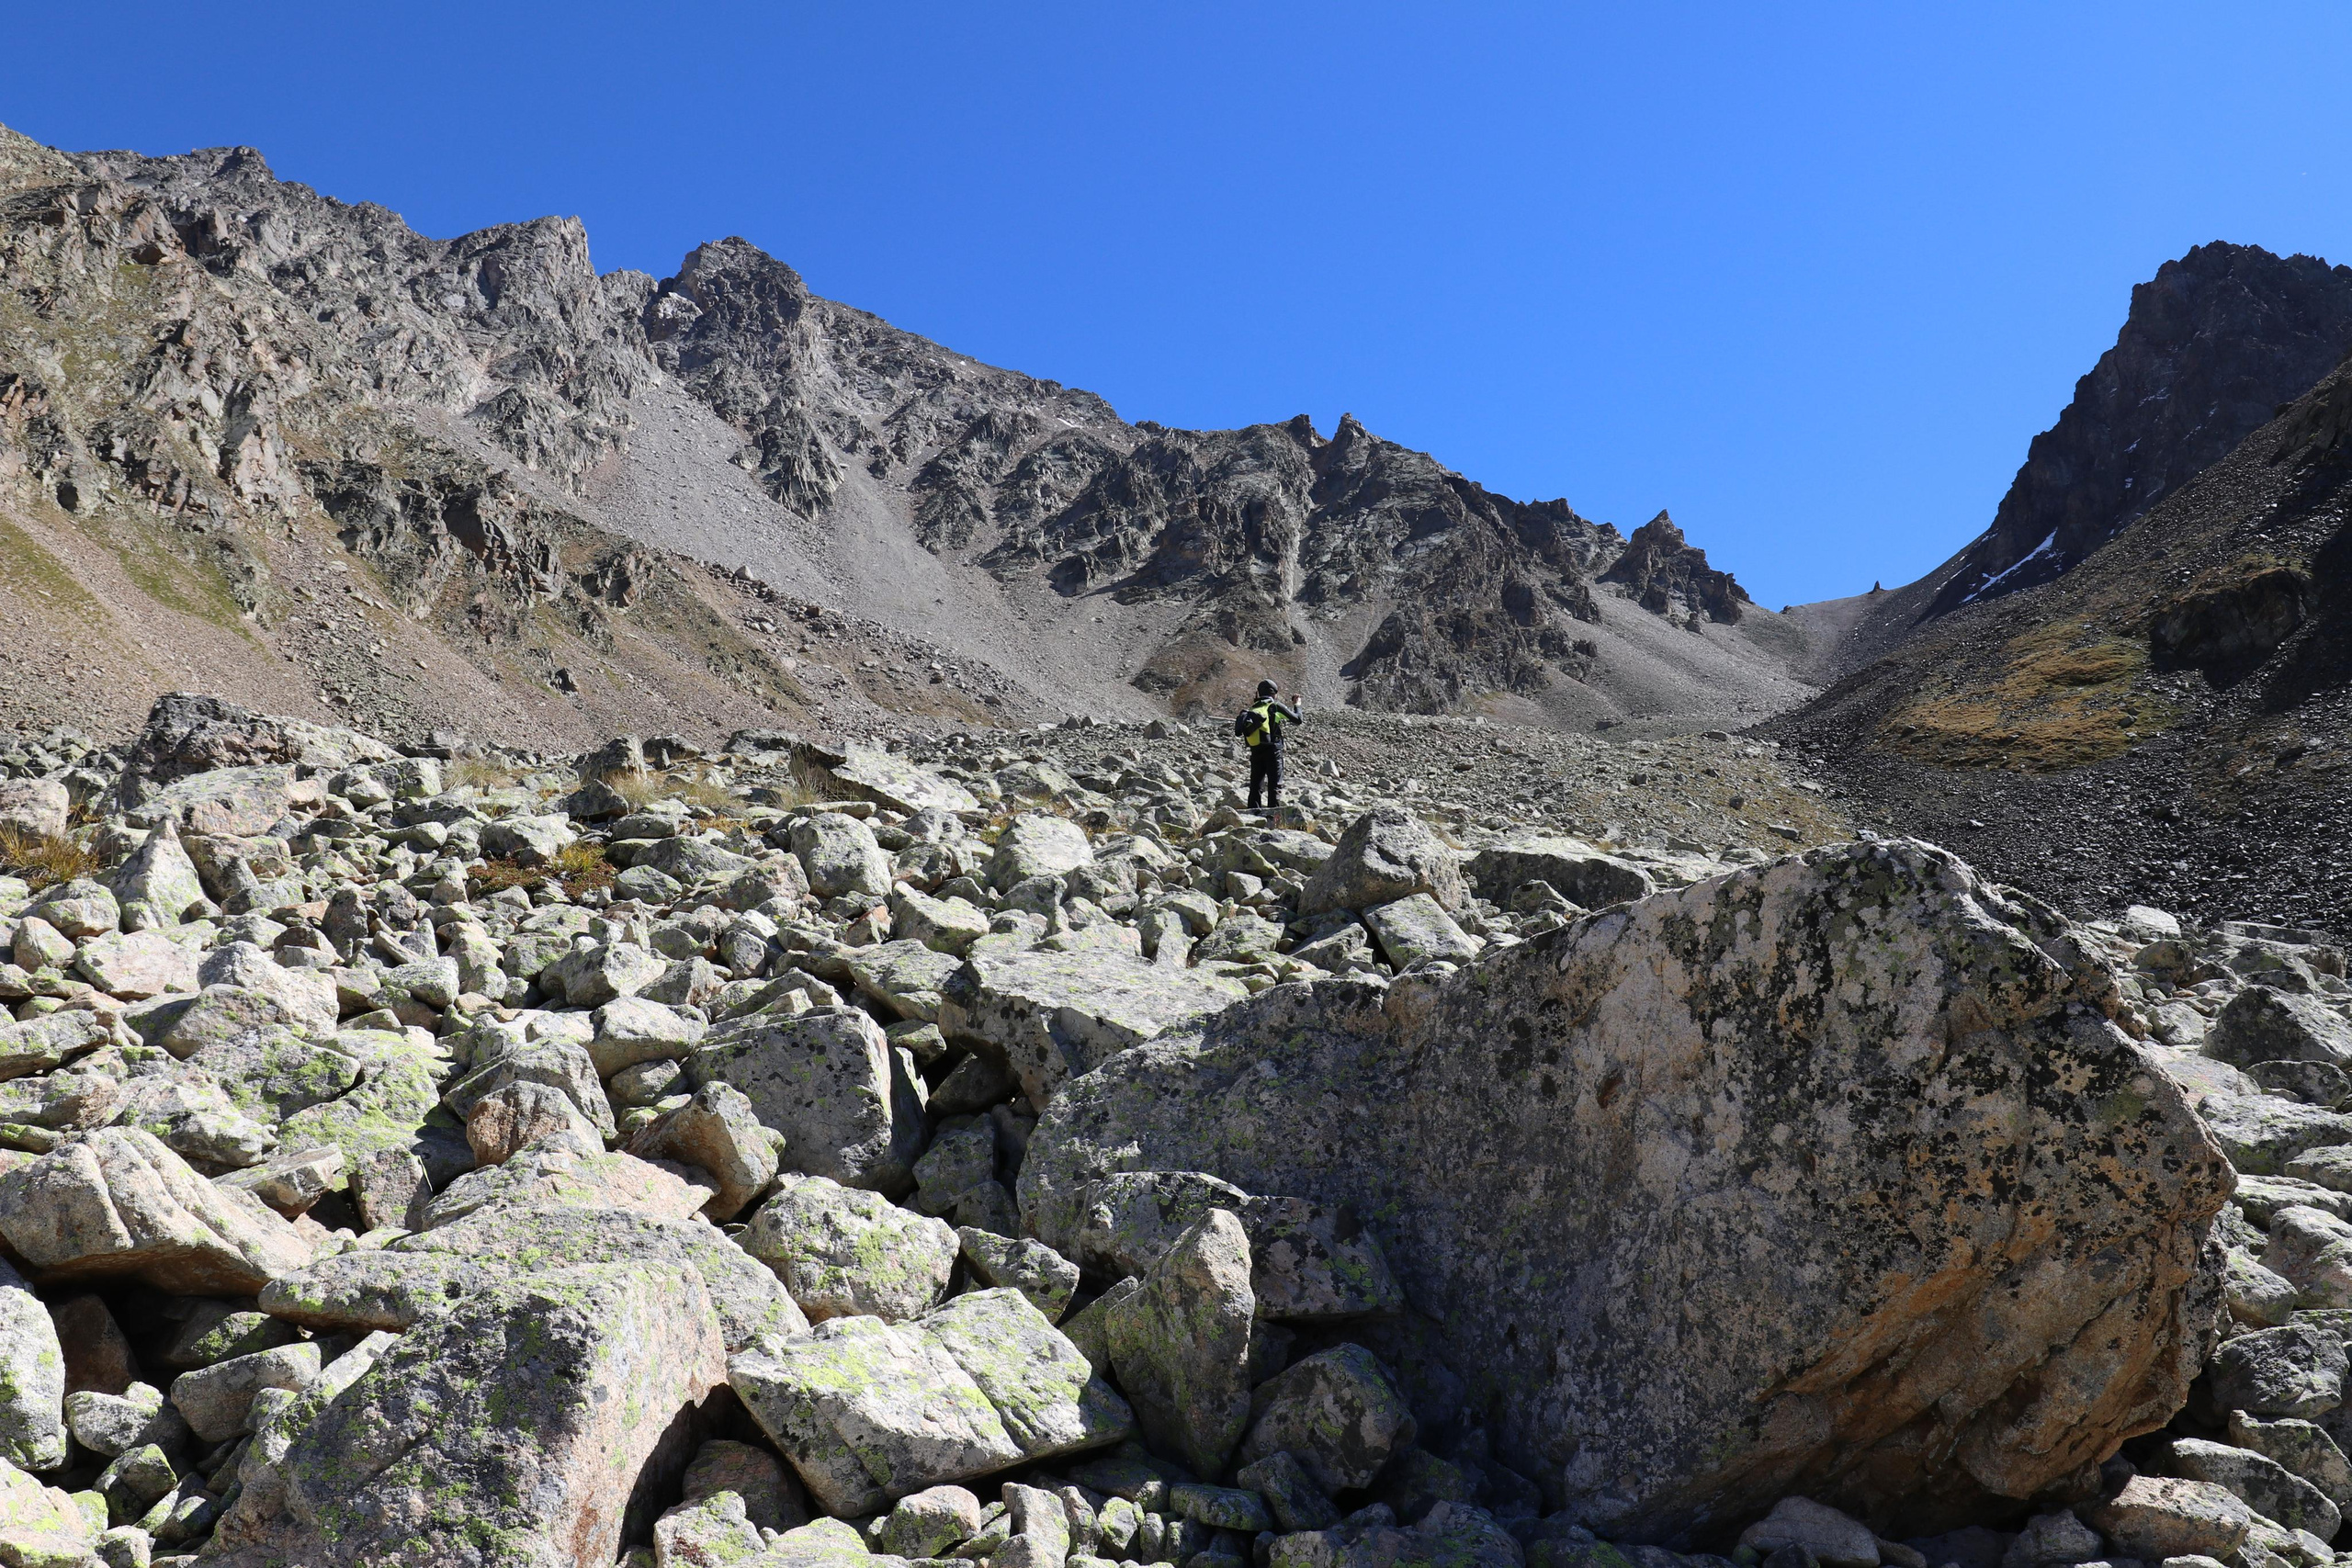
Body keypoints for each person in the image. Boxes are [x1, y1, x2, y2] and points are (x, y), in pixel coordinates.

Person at [1236, 679, 1303, 809]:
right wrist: (1297, 705)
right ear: (1274, 693)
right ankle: (1274, 818)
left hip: (1256, 749)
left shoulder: (1254, 708)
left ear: (1258, 693)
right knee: (1275, 784)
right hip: (1273, 749)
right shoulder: (1275, 706)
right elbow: (1298, 719)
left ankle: (1253, 815)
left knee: (1255, 784)